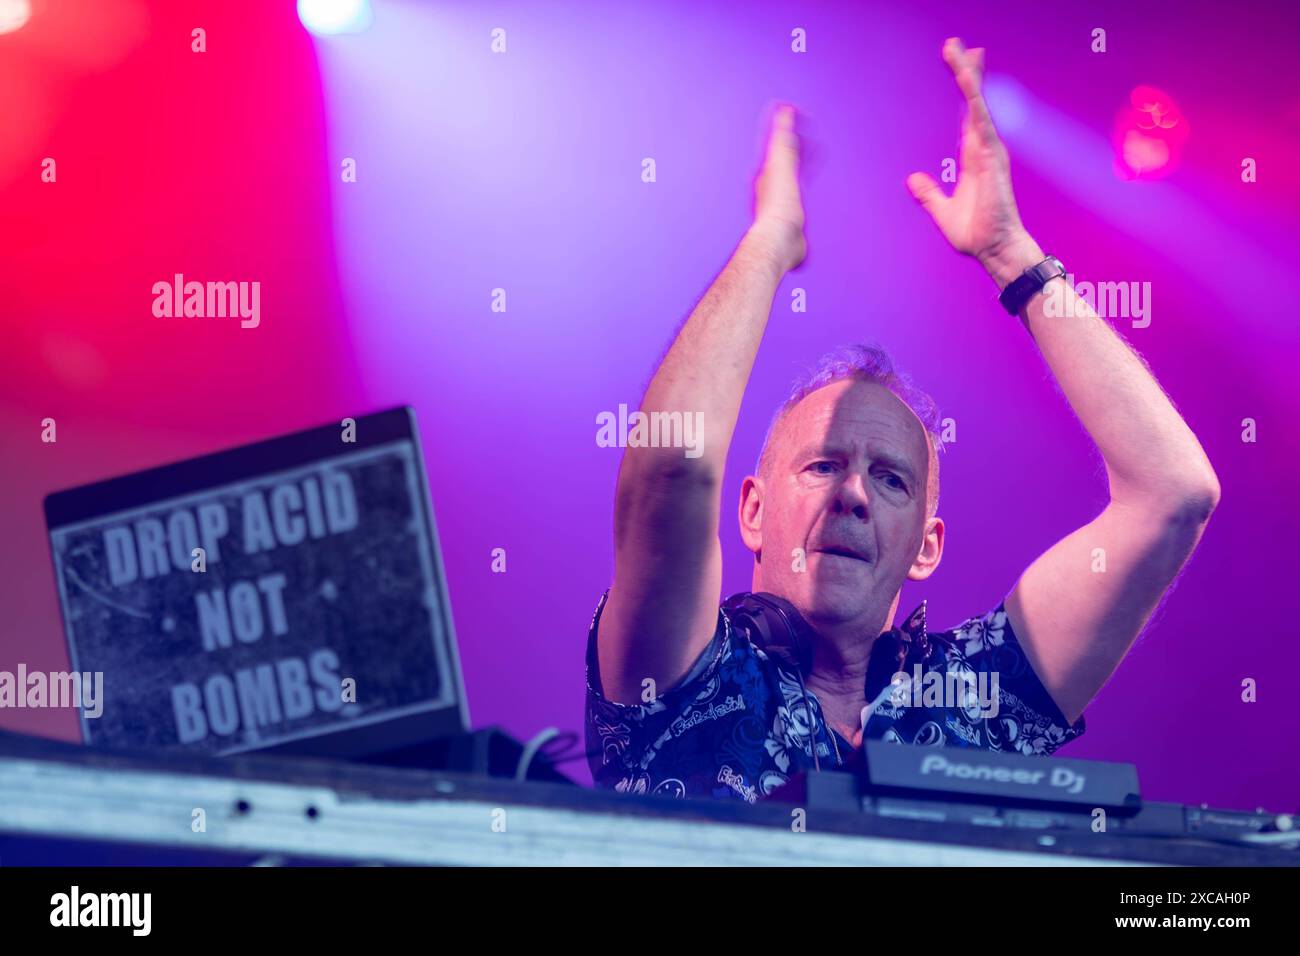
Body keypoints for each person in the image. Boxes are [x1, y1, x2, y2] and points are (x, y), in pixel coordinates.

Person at [584, 38, 1220, 802]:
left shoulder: (971, 702)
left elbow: (1174, 493)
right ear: (750, 511)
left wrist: (1012, 256)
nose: (852, 495)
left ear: (928, 544)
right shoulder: (686, 671)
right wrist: (769, 244)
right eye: (822, 464)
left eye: (890, 480)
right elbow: (669, 471)